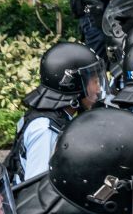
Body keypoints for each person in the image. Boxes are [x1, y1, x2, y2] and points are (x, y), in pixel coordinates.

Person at [6, 41, 105, 183]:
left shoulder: (59, 117)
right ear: (73, 84)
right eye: (95, 81)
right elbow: (37, 187)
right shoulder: (45, 130)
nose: (99, 89)